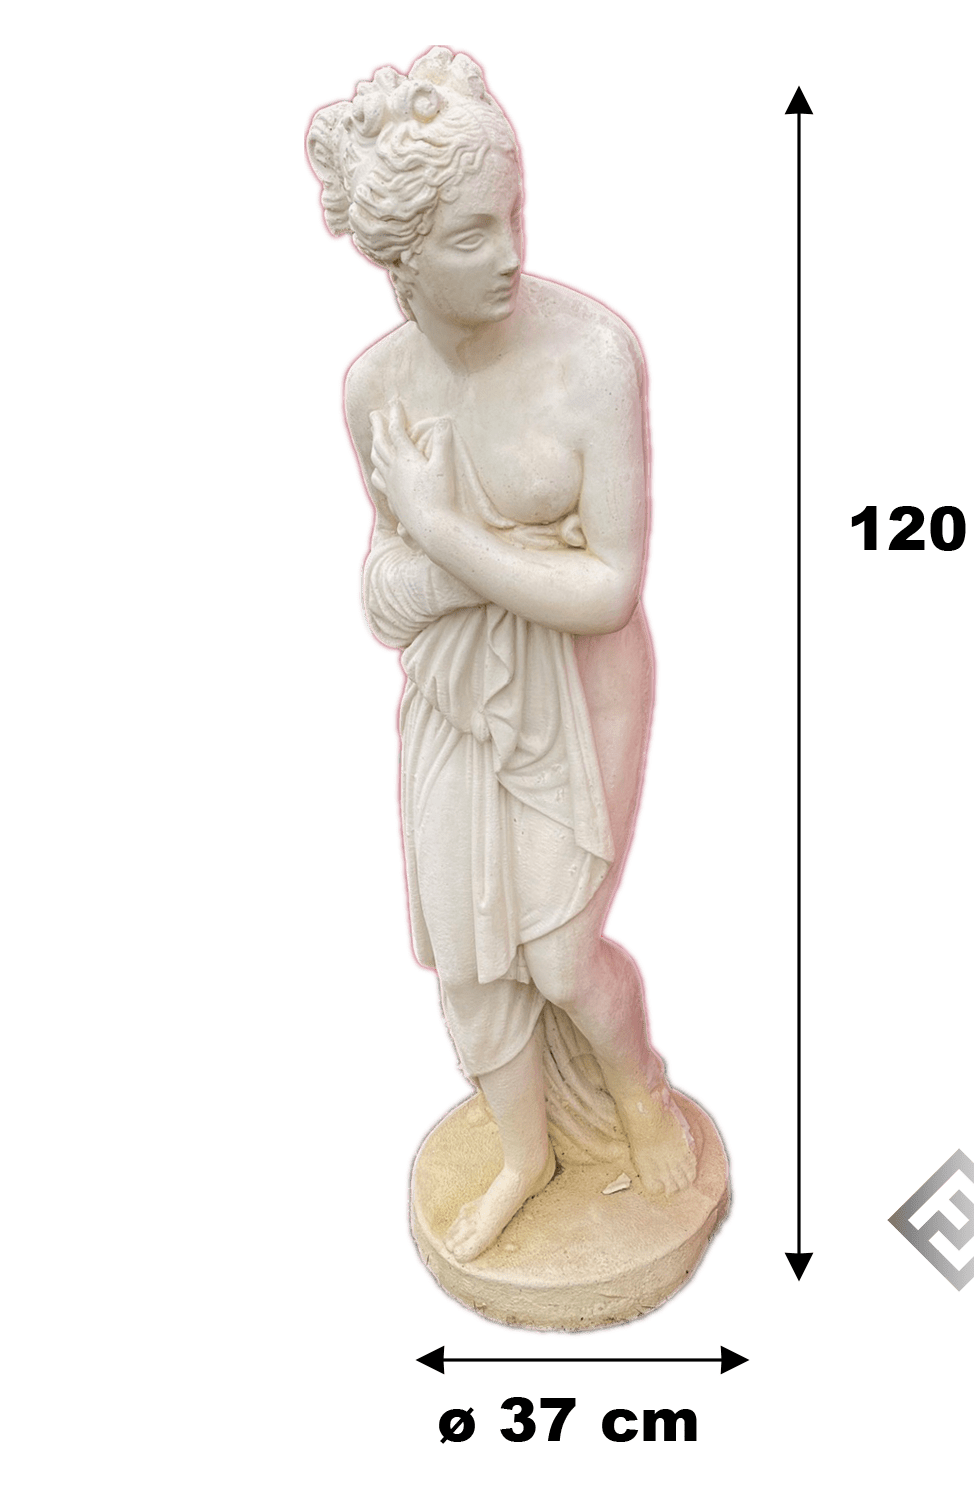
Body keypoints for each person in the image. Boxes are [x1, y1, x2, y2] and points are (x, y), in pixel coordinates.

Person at [306, 48, 697, 1264]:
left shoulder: (595, 357)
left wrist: (441, 533)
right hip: (453, 701)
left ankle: (640, 1093)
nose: (510, 253)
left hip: (580, 693)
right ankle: (527, 1152)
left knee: (559, 954)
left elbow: (606, 591)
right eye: (472, 235)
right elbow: (382, 606)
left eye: (514, 214)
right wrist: (444, 557)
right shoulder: (377, 390)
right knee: (470, 963)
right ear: (402, 260)